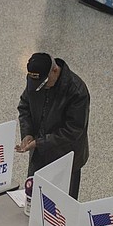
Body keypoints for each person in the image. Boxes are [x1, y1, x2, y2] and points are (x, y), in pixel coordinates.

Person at [16, 52, 90, 200]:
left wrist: (40, 142)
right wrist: (28, 134)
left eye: (44, 84)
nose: (40, 88)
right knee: (34, 198)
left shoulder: (77, 90)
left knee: (61, 208)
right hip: (39, 154)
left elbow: (73, 130)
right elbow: (25, 106)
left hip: (66, 158)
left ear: (55, 71)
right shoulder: (36, 80)